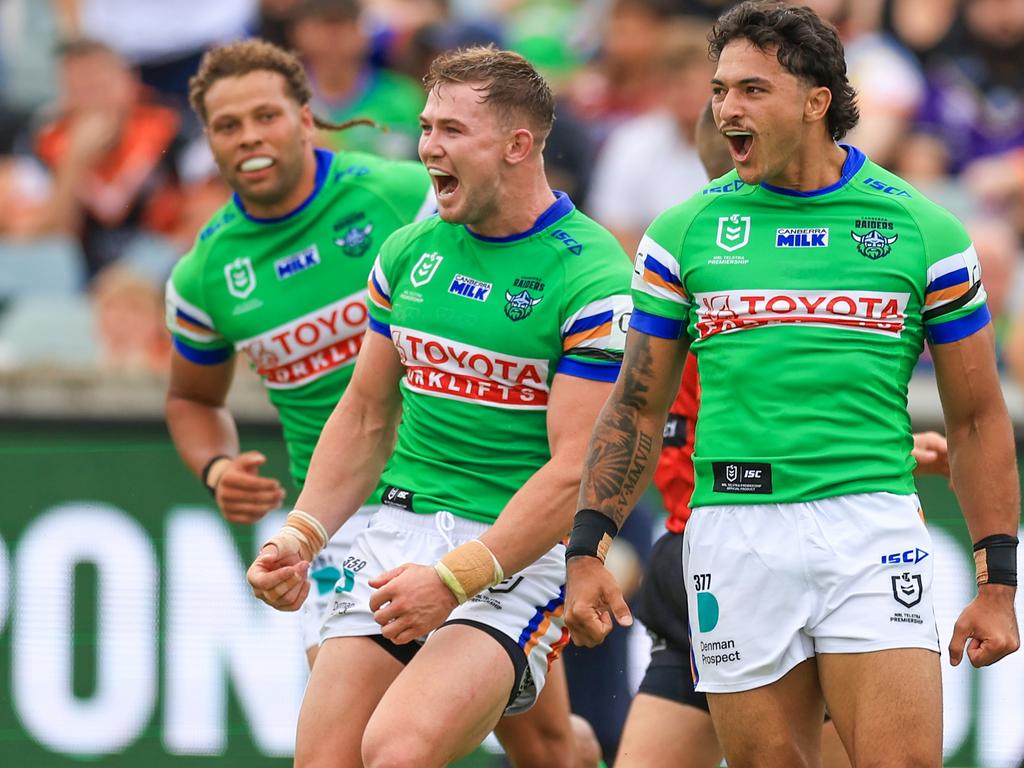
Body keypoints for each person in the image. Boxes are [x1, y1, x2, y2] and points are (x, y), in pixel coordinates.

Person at [564, 4, 1020, 768]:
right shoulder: (683, 233)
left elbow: (977, 417)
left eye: (751, 89)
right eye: (720, 90)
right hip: (734, 534)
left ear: (816, 101)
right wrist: (588, 548)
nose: (725, 110)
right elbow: (636, 406)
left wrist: (997, 581)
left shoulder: (925, 231)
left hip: (873, 528)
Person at [165, 39, 600, 768]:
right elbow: (191, 398)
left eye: (265, 116)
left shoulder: (403, 199)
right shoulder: (207, 271)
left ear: (307, 120)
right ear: (208, 141)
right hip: (350, 517)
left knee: (542, 743)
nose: (249, 138)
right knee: (344, 751)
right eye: (227, 126)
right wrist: (228, 478)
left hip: (488, 503)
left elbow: (512, 232)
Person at [613, 98, 954, 768]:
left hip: (809, 555)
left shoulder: (787, 298)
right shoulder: (687, 281)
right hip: (702, 560)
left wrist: (874, 453)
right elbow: (631, 421)